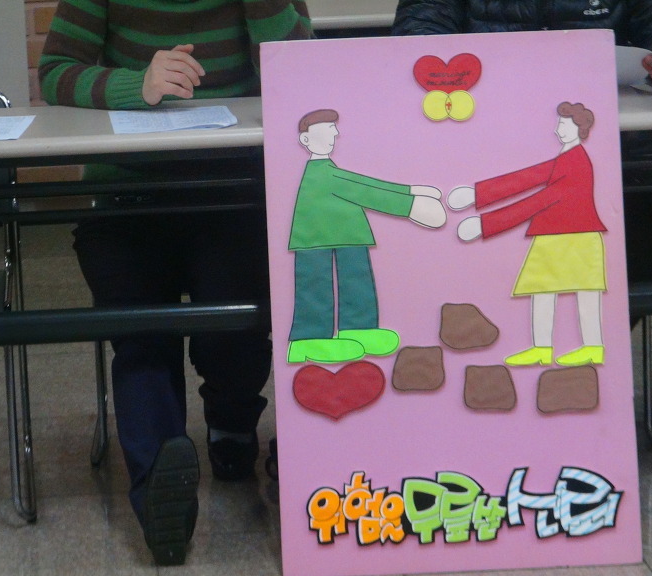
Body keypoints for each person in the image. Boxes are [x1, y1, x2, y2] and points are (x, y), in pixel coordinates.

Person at [38, 0, 312, 565]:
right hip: (129, 192)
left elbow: (301, 73)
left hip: (233, 190)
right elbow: (55, 72)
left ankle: (231, 427)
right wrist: (134, 84)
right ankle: (159, 485)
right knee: (142, 333)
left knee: (235, 325)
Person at [392, 0, 652, 295]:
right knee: (457, 260)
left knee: (642, 253)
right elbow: (418, 33)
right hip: (480, 147)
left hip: (602, 157)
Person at [451, 103, 608, 368]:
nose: (558, 130)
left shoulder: (576, 161)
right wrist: (478, 195)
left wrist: (487, 223)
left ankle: (591, 346)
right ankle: (543, 348)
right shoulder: (566, 157)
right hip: (555, 235)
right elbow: (529, 177)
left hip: (576, 236)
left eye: (564, 125)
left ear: (579, 129)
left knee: (584, 291)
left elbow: (539, 200)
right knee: (543, 289)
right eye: (559, 124)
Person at [288, 109, 446, 364]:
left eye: (334, 129)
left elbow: (362, 182)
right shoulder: (322, 173)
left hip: (351, 235)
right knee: (315, 285)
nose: (335, 134)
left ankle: (359, 329)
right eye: (328, 129)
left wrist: (410, 189)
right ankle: (309, 339)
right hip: (313, 238)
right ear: (305, 140)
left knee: (357, 280)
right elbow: (361, 190)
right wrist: (410, 205)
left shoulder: (331, 170)